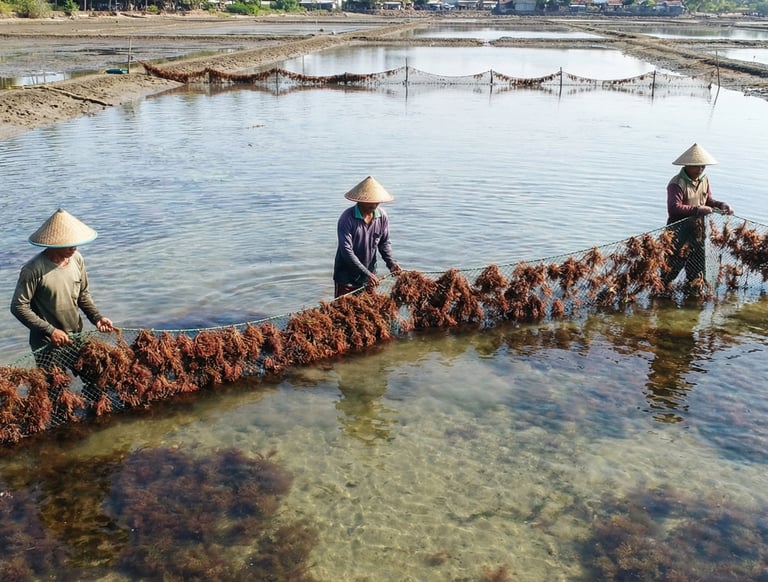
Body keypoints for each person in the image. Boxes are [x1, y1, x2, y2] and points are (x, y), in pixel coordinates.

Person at [10, 208, 114, 363]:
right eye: (69, 244)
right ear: (54, 243)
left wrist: (96, 317)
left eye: (75, 243)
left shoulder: (77, 259)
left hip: (76, 337)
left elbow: (83, 294)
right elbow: (18, 306)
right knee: (55, 385)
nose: (74, 248)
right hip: (47, 342)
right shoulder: (33, 269)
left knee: (96, 378)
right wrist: (51, 331)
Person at [664, 143, 733, 287]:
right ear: (687, 165)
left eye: (703, 166)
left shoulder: (704, 180)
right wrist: (698, 209)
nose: (700, 169)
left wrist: (721, 205)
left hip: (697, 231)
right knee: (671, 268)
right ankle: (662, 295)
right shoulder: (676, 183)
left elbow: (709, 200)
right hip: (677, 233)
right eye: (696, 166)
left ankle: (693, 296)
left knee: (697, 269)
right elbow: (674, 208)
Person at [333, 176, 402, 298]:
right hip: (346, 277)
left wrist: (391, 263)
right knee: (343, 314)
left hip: (368, 277)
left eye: (377, 201)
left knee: (368, 313)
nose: (375, 204)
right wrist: (367, 273)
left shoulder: (381, 217)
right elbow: (346, 251)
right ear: (360, 200)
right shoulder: (347, 218)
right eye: (370, 201)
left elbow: (384, 243)